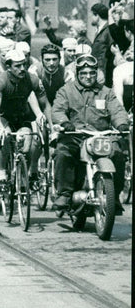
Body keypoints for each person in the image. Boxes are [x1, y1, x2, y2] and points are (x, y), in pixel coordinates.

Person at [51, 54, 129, 214]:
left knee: (119, 154)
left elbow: (117, 110)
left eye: (92, 73)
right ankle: (64, 194)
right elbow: (58, 110)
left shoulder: (106, 92)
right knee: (63, 152)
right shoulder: (66, 91)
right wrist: (65, 123)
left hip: (102, 137)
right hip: (75, 136)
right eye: (83, 73)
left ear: (96, 73)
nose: (88, 77)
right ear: (78, 74)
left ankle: (114, 196)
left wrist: (121, 124)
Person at [0, 49, 49, 188]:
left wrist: (41, 116)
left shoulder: (32, 79)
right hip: (3, 116)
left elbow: (43, 103)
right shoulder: (0, 81)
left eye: (24, 64)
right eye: (17, 66)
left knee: (28, 143)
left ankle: (23, 173)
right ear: (8, 67)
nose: (22, 68)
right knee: (5, 137)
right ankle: (2, 172)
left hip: (21, 116)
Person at [89, 3, 115, 87]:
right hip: (98, 70)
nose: (91, 18)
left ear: (97, 15)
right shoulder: (100, 30)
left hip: (104, 73)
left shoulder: (108, 30)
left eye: (92, 15)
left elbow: (112, 52)